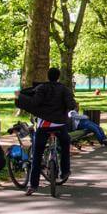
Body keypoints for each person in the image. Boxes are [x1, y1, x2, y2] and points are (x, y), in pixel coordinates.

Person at [15, 67, 77, 196]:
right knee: (65, 144)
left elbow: (35, 102)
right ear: (58, 77)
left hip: (45, 125)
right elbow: (71, 105)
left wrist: (20, 97)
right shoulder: (64, 89)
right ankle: (65, 171)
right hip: (60, 124)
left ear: (48, 77)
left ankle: (33, 185)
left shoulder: (42, 88)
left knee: (37, 154)